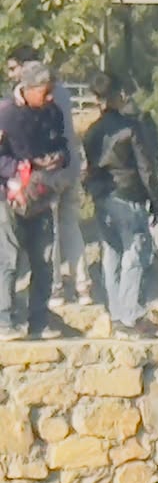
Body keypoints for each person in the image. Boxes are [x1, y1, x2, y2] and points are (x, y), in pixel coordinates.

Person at [81, 72, 158, 336]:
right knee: (135, 252)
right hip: (129, 194)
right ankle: (132, 315)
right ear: (119, 95)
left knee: (112, 254)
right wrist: (155, 198)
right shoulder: (130, 128)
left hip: (103, 195)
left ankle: (116, 314)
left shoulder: (92, 131)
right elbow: (145, 166)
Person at [7, 45, 87, 309]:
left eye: (12, 68)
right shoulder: (10, 111)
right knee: (58, 229)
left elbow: (61, 137)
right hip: (36, 181)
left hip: (55, 175)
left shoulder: (46, 103)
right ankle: (79, 285)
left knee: (54, 231)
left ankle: (57, 290)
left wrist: (54, 158)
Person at [0, 62, 70, 339]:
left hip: (41, 194)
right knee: (7, 257)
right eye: (45, 91)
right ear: (28, 90)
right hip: (9, 194)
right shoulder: (7, 115)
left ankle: (39, 320)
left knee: (44, 257)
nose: (51, 97)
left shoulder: (52, 112)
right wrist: (17, 170)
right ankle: (4, 319)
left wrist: (59, 159)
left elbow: (62, 143)